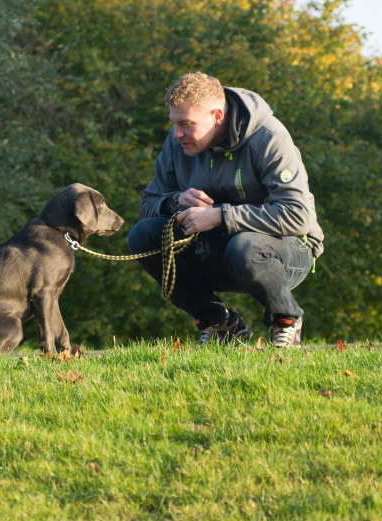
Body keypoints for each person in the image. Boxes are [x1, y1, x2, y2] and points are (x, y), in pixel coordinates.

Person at [128, 72, 324, 347]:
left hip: (285, 250)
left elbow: (297, 216)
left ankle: (286, 320)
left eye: (186, 124)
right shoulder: (177, 142)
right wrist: (177, 200)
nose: (177, 134)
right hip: (216, 249)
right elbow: (148, 204)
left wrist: (221, 216)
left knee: (245, 247)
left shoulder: (268, 138)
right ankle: (219, 322)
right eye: (173, 123)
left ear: (217, 116)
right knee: (142, 235)